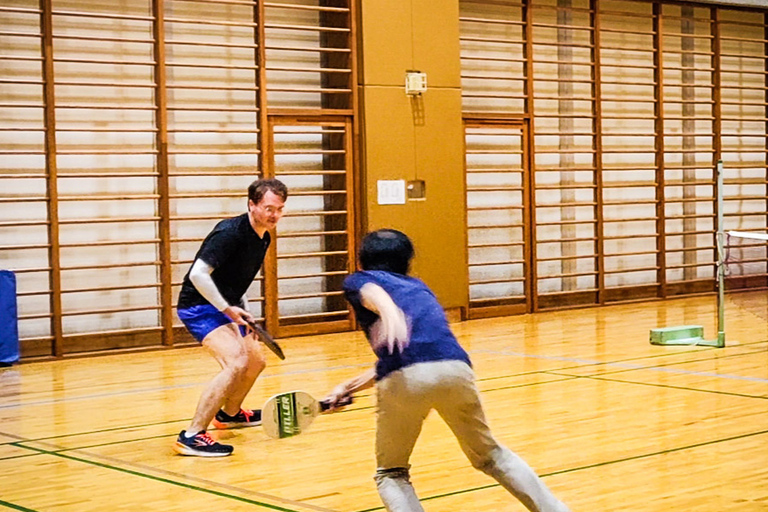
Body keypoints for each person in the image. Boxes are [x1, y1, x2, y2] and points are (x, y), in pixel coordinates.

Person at [324, 229, 570, 512]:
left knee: (391, 473)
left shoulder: (360, 280)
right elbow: (415, 357)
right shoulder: (419, 288)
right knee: (492, 456)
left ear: (362, 262)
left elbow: (373, 294)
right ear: (407, 262)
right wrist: (348, 387)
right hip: (455, 369)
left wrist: (389, 312)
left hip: (407, 378)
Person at [174, 178, 288, 457]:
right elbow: (198, 275)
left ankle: (230, 414)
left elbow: (236, 279)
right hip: (199, 307)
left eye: (280, 209)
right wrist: (227, 309)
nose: (274, 215)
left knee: (256, 361)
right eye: (269, 208)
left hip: (226, 305)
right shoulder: (229, 233)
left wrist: (241, 308)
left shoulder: (263, 236)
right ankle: (192, 435)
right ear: (252, 205)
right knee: (235, 361)